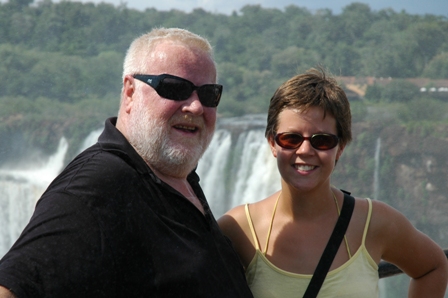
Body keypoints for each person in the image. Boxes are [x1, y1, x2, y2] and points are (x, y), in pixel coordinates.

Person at [0, 27, 253, 298]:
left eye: (208, 94)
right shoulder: (99, 185)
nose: (196, 107)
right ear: (130, 92)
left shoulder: (177, 176)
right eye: (175, 88)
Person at [218, 67, 448, 297]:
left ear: (340, 148)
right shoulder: (238, 229)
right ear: (272, 143)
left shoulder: (374, 222)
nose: (305, 150)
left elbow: (433, 267)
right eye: (291, 138)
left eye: (323, 140)